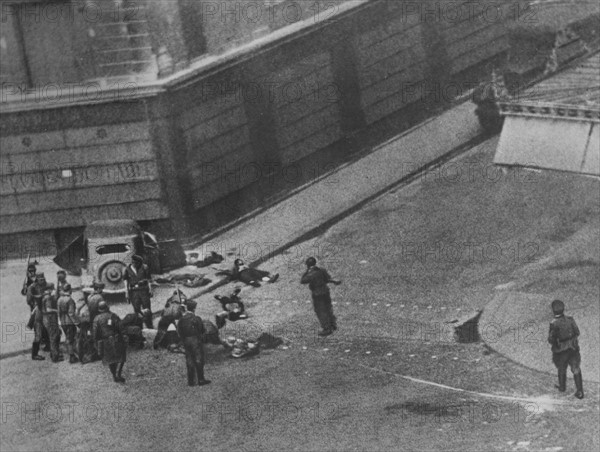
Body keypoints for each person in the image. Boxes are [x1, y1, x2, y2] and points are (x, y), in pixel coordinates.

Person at [548, 300, 584, 399]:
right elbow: (577, 332)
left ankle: (562, 387)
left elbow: (551, 339)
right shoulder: (570, 319)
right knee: (576, 368)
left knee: (561, 368)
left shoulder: (553, 323)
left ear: (553, 311)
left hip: (561, 351)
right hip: (573, 348)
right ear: (563, 309)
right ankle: (580, 391)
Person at [300, 257, 342, 337]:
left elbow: (302, 280)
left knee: (320, 311)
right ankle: (332, 324)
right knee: (328, 308)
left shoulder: (311, 273)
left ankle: (326, 328)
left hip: (317, 293)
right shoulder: (321, 270)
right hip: (325, 291)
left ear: (308, 265)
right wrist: (333, 281)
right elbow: (327, 279)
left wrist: (306, 271)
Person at [177, 300, 210, 387]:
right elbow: (201, 330)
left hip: (185, 340)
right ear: (194, 308)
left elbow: (179, 331)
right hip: (195, 339)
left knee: (189, 359)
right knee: (198, 359)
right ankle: (201, 379)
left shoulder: (181, 319)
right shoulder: (196, 318)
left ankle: (191, 381)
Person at [93, 301, 127, 383]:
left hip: (105, 341)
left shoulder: (96, 319)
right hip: (116, 339)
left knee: (110, 359)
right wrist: (124, 337)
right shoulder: (113, 316)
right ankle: (118, 374)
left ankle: (114, 375)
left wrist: (96, 342)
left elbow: (95, 333)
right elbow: (121, 327)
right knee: (121, 357)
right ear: (107, 307)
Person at [124, 255, 153, 329]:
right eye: (135, 263)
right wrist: (126, 292)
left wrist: (150, 289)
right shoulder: (127, 269)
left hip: (144, 291)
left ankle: (149, 326)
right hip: (134, 292)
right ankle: (139, 327)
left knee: (147, 309)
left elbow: (149, 279)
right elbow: (125, 281)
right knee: (136, 310)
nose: (138, 265)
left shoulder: (145, 267)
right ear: (134, 262)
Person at [27, 273, 50, 360]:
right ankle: (34, 354)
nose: (43, 281)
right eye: (41, 279)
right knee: (38, 334)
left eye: (43, 279)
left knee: (47, 329)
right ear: (37, 279)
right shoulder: (32, 287)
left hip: (44, 310)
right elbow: (29, 300)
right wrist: (35, 306)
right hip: (37, 311)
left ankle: (48, 346)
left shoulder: (45, 285)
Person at [57, 284, 79, 363]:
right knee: (70, 339)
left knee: (68, 337)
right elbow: (71, 313)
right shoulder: (70, 300)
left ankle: (72, 353)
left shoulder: (59, 299)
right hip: (69, 322)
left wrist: (59, 321)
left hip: (63, 322)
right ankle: (72, 356)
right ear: (69, 290)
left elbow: (58, 312)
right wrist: (77, 323)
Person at [41, 283, 63, 362]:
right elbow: (48, 309)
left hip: (45, 319)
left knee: (52, 337)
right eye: (53, 288)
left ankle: (53, 354)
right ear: (49, 289)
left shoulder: (43, 296)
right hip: (50, 319)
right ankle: (55, 357)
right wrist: (57, 311)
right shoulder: (48, 297)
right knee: (54, 337)